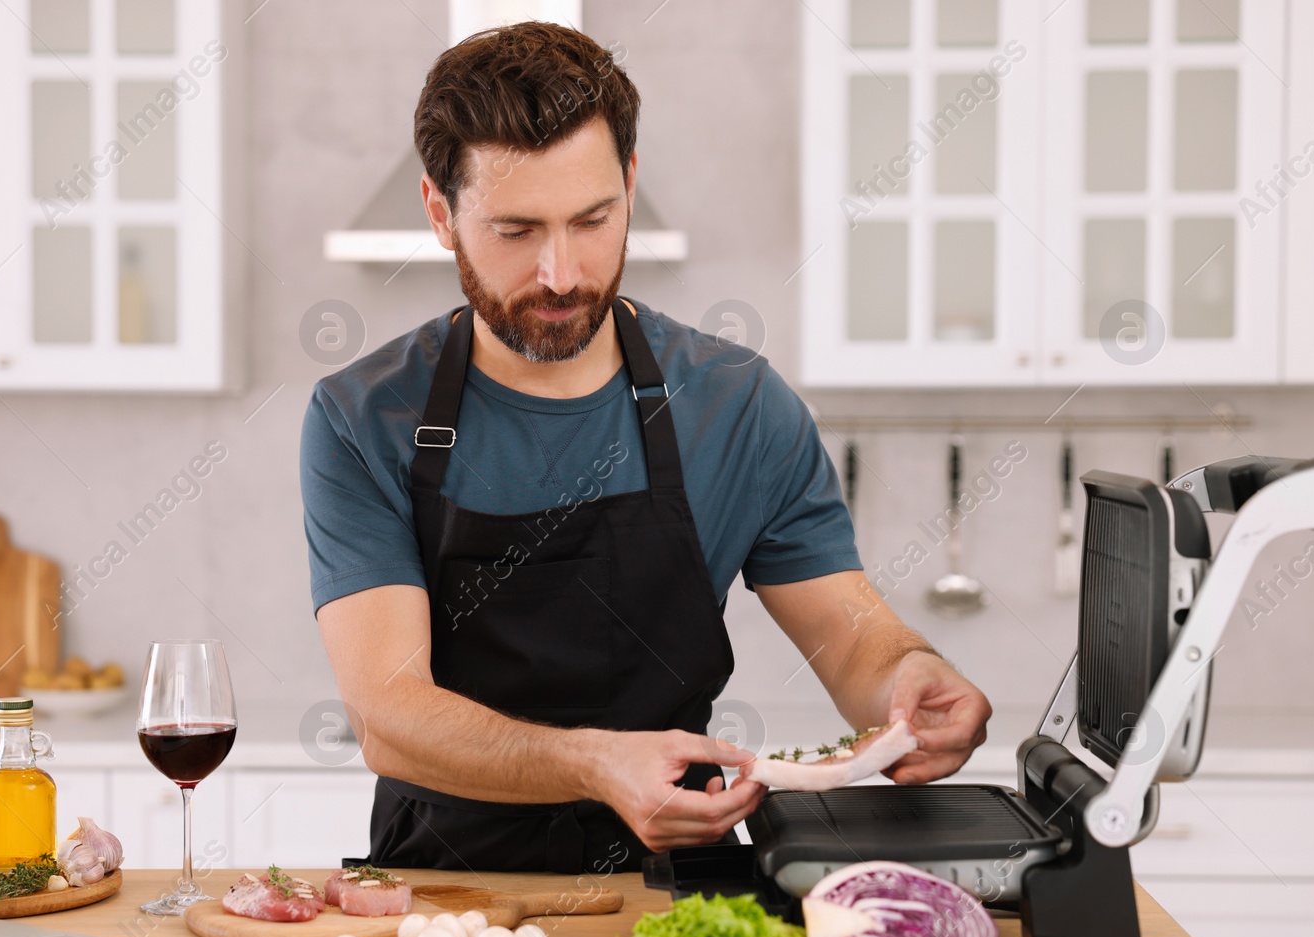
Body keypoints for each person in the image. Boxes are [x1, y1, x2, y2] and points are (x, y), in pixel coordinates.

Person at [299, 22, 991, 873]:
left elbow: (852, 643)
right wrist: (595, 765)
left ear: (629, 183)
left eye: (592, 220)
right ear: (441, 214)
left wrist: (909, 680)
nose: (561, 272)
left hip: (673, 891)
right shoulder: (362, 417)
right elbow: (387, 714)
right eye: (516, 231)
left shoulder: (738, 405)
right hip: (443, 902)